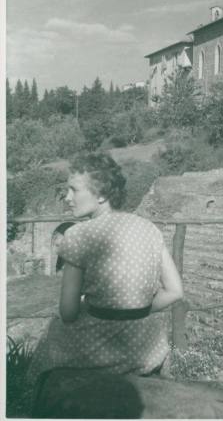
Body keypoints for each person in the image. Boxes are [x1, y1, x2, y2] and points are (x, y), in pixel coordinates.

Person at [27, 151, 183, 391]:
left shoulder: (78, 234)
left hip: (97, 344)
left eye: (74, 190)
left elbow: (68, 312)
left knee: (52, 334)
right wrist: (132, 311)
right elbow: (174, 292)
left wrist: (105, 311)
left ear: (100, 194)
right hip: (147, 343)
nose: (67, 197)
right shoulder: (149, 228)